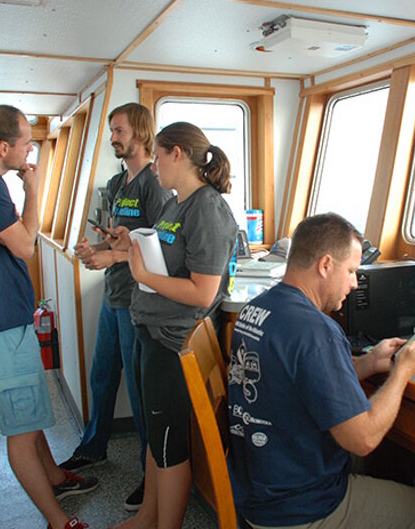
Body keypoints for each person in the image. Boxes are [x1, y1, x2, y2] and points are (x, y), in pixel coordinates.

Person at [227, 213, 415, 528]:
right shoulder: (317, 331)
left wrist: (368, 363)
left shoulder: (256, 309)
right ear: (325, 265)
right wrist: (402, 372)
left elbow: (297, 375)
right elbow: (362, 439)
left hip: (257, 486)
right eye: (350, 270)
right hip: (300, 508)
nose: (354, 282)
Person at [0, 105, 97, 529]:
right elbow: (26, 245)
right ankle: (57, 519)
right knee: (21, 432)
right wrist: (34, 191)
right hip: (0, 327)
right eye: (27, 142)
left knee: (30, 416)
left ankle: (55, 478)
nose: (31, 150)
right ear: (3, 147)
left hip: (5, 321)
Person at [107, 122, 237, 529]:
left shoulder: (208, 209)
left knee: (169, 444)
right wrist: (131, 242)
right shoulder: (175, 203)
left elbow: (203, 292)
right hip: (151, 332)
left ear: (177, 154)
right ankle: (148, 517)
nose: (154, 166)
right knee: (155, 432)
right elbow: (165, 253)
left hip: (173, 340)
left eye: (159, 157)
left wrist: (145, 277)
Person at [61, 102, 172, 512]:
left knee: (141, 393)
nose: (113, 138)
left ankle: (152, 474)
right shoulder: (116, 182)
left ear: (140, 132)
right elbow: (120, 238)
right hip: (113, 295)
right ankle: (94, 447)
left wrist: (114, 256)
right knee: (102, 375)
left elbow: (161, 247)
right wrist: (99, 248)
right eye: (111, 131)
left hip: (137, 300)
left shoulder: (154, 185)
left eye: (119, 130)